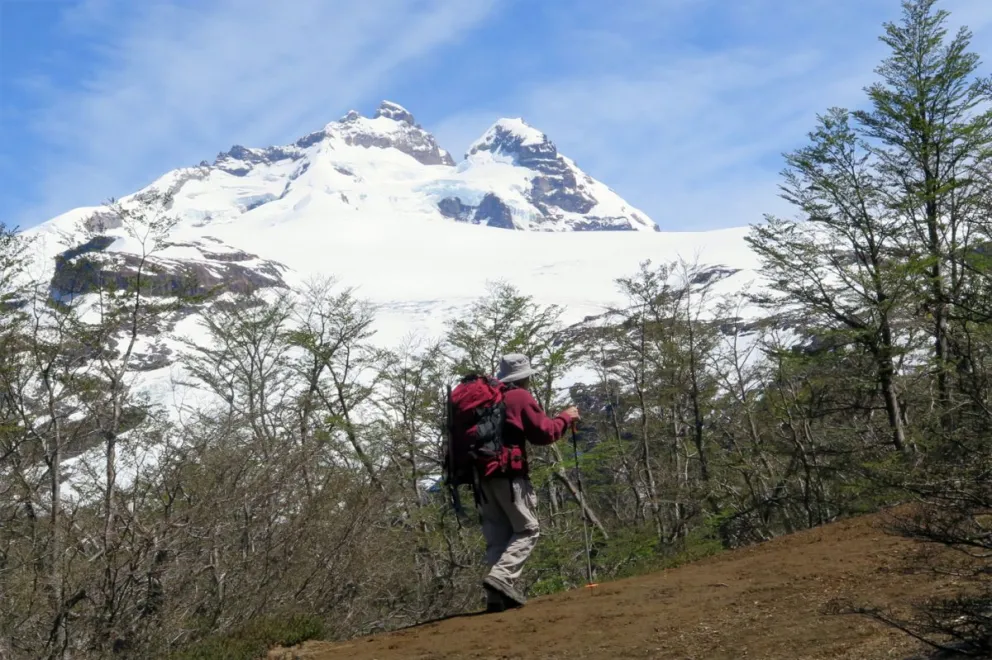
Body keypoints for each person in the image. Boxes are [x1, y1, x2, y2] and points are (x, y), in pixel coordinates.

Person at [480, 353, 579, 613]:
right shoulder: (519, 397)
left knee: (498, 536)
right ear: (525, 377)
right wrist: (565, 418)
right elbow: (543, 433)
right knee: (528, 529)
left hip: (480, 477)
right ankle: (500, 578)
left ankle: (495, 599)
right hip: (508, 474)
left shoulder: (488, 398)